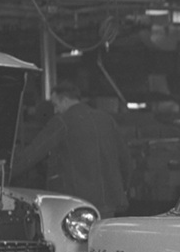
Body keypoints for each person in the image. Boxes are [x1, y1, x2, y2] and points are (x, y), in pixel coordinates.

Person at [12, 79, 131, 217]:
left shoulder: (63, 122)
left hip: (79, 203)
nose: (55, 110)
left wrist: (5, 173)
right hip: (110, 203)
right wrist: (123, 188)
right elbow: (126, 159)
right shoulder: (106, 119)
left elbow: (32, 154)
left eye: (56, 105)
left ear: (65, 100)